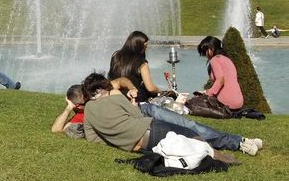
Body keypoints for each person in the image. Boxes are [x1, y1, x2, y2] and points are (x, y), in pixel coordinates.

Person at [80, 72, 262, 159]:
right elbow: (134, 115)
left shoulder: (90, 107)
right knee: (189, 128)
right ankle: (239, 143)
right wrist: (128, 104)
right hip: (143, 117)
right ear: (101, 89)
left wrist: (132, 90)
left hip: (143, 120)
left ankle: (238, 141)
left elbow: (93, 138)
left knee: (188, 127)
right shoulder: (110, 95)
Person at [108, 31, 160, 103]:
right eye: (145, 46)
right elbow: (150, 88)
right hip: (134, 96)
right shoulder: (142, 63)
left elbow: (111, 77)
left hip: (116, 94)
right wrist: (160, 90)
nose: (146, 48)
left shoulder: (115, 56)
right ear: (139, 46)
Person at [197, 36, 244, 110]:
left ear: (211, 48)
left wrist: (208, 94)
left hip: (227, 102)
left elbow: (220, 80)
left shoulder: (215, 60)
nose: (205, 54)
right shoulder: (226, 59)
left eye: (205, 51)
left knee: (195, 102)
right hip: (239, 101)